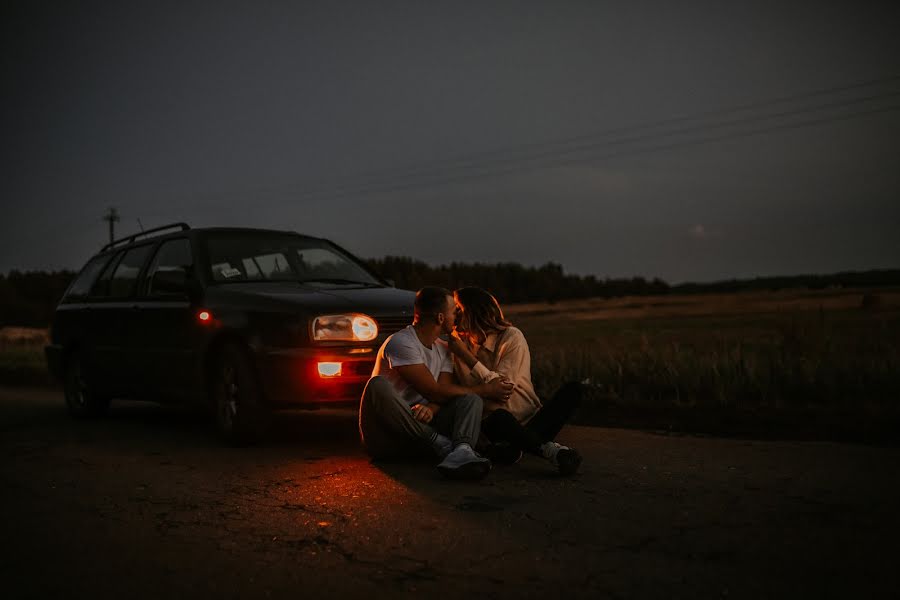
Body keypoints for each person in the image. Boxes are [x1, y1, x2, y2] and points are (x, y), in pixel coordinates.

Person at [359, 286, 515, 480]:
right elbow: (434, 390)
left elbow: (443, 391)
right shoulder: (401, 343)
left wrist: (431, 409)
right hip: (389, 437)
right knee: (377, 385)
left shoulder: (443, 349)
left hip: (422, 436)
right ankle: (442, 444)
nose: (457, 316)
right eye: (453, 312)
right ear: (440, 318)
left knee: (471, 399)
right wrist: (485, 389)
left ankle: (461, 451)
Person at [447, 286, 584, 475]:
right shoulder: (455, 343)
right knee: (499, 418)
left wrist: (467, 357)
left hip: (530, 420)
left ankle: (516, 446)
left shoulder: (511, 337)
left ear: (475, 310)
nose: (455, 314)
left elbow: (503, 388)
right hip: (495, 424)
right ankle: (551, 451)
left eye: (459, 309)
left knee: (574, 389)